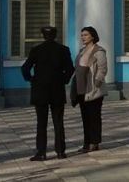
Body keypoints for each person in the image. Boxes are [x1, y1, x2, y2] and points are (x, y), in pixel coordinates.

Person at [21, 26, 74, 160]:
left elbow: (25, 68)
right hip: (57, 90)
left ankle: (41, 152)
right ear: (55, 35)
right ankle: (60, 152)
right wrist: (63, 80)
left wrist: (31, 79)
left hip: (40, 90)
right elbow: (70, 69)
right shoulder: (63, 49)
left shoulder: (36, 49)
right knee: (58, 122)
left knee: (41, 123)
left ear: (43, 35)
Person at [71, 26, 108, 153]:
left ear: (92, 36)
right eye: (82, 35)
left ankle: (95, 142)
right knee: (85, 117)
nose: (83, 37)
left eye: (85, 35)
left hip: (93, 89)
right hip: (81, 89)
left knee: (94, 117)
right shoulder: (82, 51)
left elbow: (103, 69)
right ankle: (87, 142)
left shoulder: (99, 51)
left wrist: (97, 83)